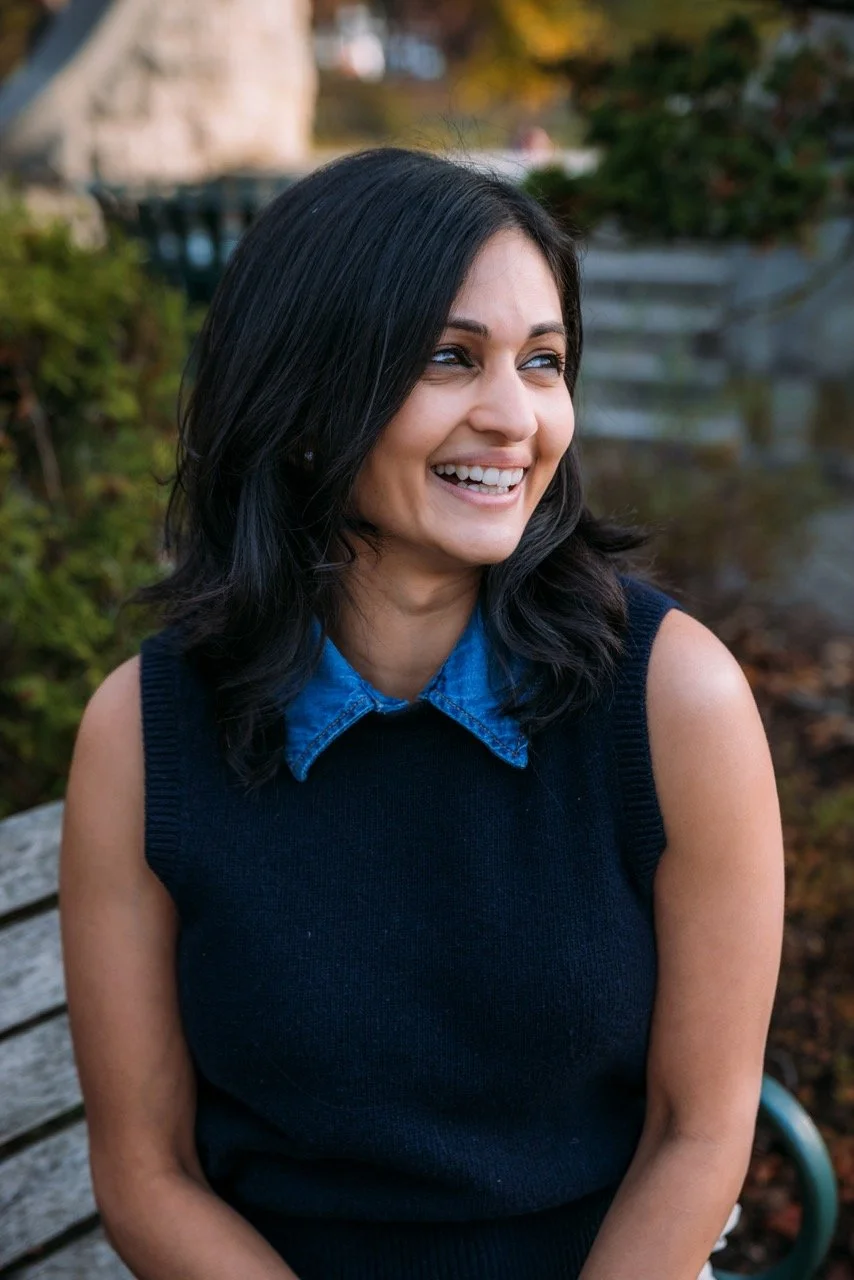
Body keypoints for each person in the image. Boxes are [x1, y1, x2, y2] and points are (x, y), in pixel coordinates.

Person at [59, 147, 785, 1280]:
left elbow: (697, 1135)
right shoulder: (145, 734)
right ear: (304, 397)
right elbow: (147, 1173)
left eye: (541, 363)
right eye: (452, 358)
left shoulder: (672, 700)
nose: (514, 417)